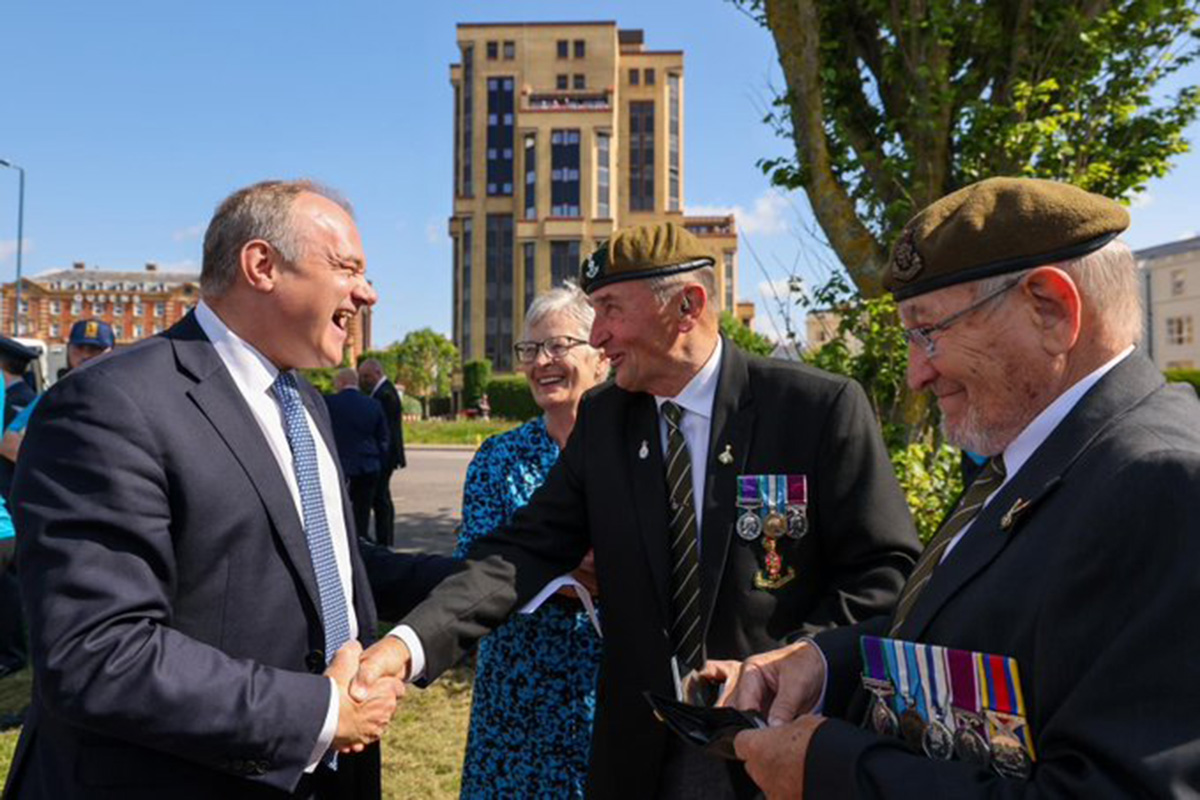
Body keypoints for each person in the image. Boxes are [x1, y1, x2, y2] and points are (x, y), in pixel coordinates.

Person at [353, 220, 921, 797]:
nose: (596, 335)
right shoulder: (605, 420)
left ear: (687, 306)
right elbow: (521, 553)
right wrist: (408, 646)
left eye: (610, 310)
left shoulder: (813, 408)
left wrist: (795, 661)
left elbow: (885, 577)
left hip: (777, 749)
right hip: (641, 755)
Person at [717, 177, 1200, 798]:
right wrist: (826, 662)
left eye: (929, 331)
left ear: (1050, 309)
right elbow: (978, 631)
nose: (917, 374)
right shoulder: (1036, 455)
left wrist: (831, 770)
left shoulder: (1162, 483)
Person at [5, 179, 458, 799]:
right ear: (262, 265)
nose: (368, 291)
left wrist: (490, 576)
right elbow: (98, 653)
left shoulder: (305, 404)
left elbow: (322, 568)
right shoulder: (111, 405)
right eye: (349, 267)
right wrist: (320, 713)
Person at [456, 284, 608, 799]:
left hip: (605, 688)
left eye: (558, 345)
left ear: (600, 356)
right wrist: (584, 569)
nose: (542, 361)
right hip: (517, 694)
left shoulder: (640, 450)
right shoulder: (499, 458)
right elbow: (475, 564)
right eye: (530, 349)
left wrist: (552, 564)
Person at [325, 367, 390, 542]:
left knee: (339, 510)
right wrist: (379, 461)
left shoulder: (328, 403)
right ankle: (361, 542)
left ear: (340, 382)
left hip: (340, 467)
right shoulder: (373, 404)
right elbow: (383, 438)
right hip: (368, 466)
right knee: (363, 510)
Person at [357, 359, 406, 547]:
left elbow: (383, 429)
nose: (363, 380)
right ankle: (384, 539)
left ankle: (384, 540)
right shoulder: (383, 391)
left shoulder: (385, 394)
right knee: (381, 497)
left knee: (381, 498)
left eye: (366, 376)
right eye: (362, 376)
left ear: (377, 372)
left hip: (385, 455)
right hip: (386, 454)